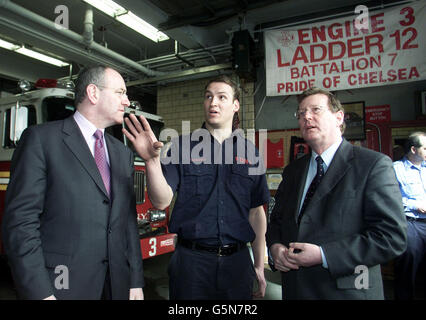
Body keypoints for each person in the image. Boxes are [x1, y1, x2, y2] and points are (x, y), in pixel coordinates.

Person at [2, 66, 144, 300]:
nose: (127, 101)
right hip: (62, 284)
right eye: (120, 92)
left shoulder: (122, 153)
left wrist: (135, 280)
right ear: (93, 93)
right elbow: (21, 223)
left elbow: (127, 222)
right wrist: (40, 292)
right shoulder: (41, 140)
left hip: (116, 284)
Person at [123, 75, 270, 300]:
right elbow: (162, 200)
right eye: (209, 97)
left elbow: (256, 213)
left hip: (237, 265)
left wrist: (259, 265)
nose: (213, 103)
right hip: (191, 264)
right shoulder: (180, 147)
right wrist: (151, 162)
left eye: (222, 97)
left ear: (236, 105)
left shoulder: (251, 153)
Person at [266, 87, 407, 299]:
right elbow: (276, 221)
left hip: (347, 291)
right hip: (296, 290)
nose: (307, 117)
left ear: (339, 117)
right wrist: (275, 247)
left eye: (316, 109)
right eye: (301, 113)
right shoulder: (293, 170)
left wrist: (324, 255)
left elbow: (390, 237)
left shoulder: (373, 165)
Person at [393, 131, 426, 300]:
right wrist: (416, 205)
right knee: (408, 264)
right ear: (414, 150)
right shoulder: (396, 169)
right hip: (410, 223)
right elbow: (391, 198)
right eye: (425, 148)